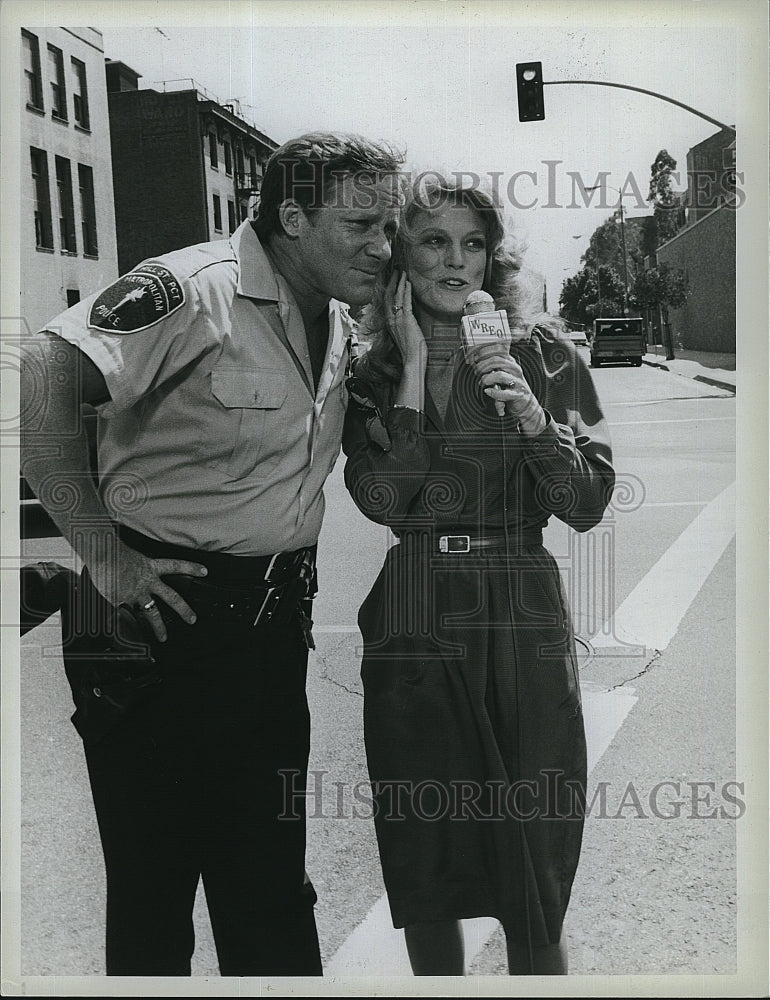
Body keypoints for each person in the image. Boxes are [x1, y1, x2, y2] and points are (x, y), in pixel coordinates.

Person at [19, 132, 404, 977]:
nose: (384, 246)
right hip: (159, 629)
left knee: (268, 895)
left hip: (267, 641)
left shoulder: (335, 318)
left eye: (390, 226)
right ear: (294, 217)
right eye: (363, 225)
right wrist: (104, 555)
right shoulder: (196, 290)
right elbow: (46, 368)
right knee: (155, 907)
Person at [342, 177, 615, 975]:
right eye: (433, 240)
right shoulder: (369, 370)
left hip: (521, 606)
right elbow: (387, 501)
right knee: (430, 856)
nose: (456, 260)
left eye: (473, 243)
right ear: (401, 253)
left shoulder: (545, 352)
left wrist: (534, 420)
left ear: (493, 257)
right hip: (416, 609)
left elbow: (588, 503)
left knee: (534, 856)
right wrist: (411, 379)